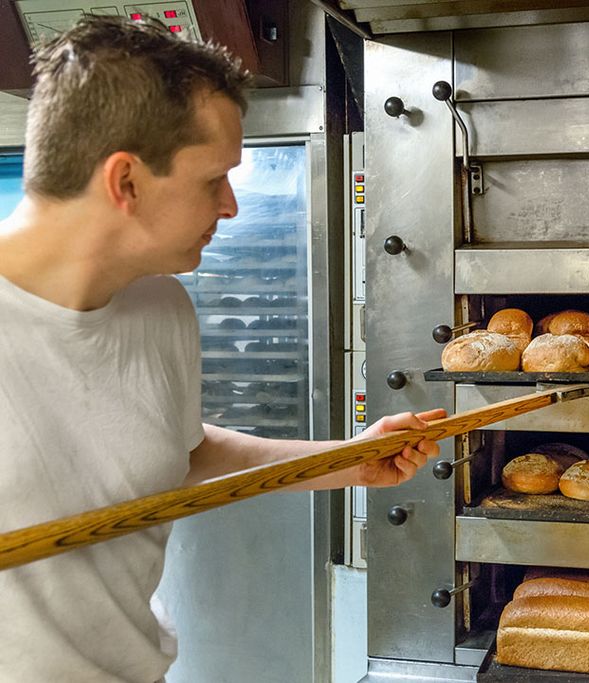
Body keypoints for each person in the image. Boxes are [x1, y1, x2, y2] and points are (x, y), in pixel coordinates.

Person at [0, 15, 443, 682]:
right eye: (214, 179)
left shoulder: (160, 308)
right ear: (126, 181)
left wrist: (349, 459)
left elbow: (185, 455)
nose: (231, 205)